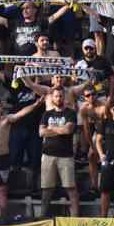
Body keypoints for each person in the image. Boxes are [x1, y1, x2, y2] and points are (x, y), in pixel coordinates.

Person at [39, 85, 79, 217]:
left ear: (65, 97)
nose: (58, 98)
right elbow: (41, 132)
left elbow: (68, 130)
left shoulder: (71, 113)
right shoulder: (47, 114)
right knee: (46, 190)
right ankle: (42, 218)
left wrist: (51, 129)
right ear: (52, 98)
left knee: (71, 189)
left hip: (65, 156)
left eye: (61, 95)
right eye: (56, 96)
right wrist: (59, 129)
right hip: (48, 155)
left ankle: (75, 219)